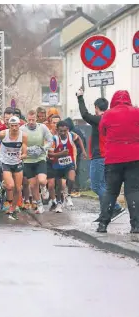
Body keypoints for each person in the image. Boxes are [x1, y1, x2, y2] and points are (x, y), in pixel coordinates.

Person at [76, 88, 125, 219]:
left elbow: (85, 115)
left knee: (96, 186)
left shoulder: (100, 119)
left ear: (96, 107)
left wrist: (80, 97)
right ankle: (105, 214)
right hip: (109, 156)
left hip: (99, 156)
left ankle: (115, 207)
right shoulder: (111, 118)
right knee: (104, 185)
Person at [96, 90, 139, 234]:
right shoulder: (136, 112)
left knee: (111, 191)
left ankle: (103, 224)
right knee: (133, 191)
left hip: (113, 159)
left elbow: (102, 131)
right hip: (134, 157)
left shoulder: (108, 114)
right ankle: (136, 226)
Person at [0, 116, 28, 219]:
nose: (14, 128)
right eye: (12, 126)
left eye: (16, 126)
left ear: (19, 126)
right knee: (11, 186)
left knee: (18, 188)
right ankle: (3, 187)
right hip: (6, 162)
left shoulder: (23, 136)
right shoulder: (3, 134)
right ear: (9, 126)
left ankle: (12, 208)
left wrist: (22, 156)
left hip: (17, 162)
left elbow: (25, 152)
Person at [21, 110, 53, 214]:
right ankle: (39, 205)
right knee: (33, 185)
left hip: (40, 158)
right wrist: (26, 149)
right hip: (28, 160)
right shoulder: (22, 129)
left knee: (42, 180)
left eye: (33, 120)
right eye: (29, 120)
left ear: (36, 119)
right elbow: (17, 141)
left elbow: (50, 140)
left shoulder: (42, 127)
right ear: (26, 119)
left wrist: (43, 148)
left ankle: (44, 188)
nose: (31, 122)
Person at [48, 121, 77, 213]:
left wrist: (83, 151)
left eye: (65, 131)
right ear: (57, 131)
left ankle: (68, 195)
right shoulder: (54, 139)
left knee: (72, 178)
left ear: (67, 130)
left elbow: (78, 138)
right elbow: (49, 154)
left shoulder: (71, 135)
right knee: (59, 186)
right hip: (58, 165)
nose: (63, 133)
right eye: (61, 131)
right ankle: (59, 203)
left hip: (69, 163)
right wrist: (61, 154)